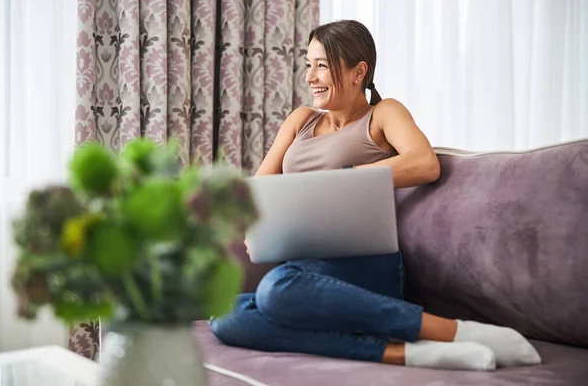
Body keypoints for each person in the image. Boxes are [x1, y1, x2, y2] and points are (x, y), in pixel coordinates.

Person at [210, 20, 541, 371]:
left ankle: (452, 331)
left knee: (276, 290)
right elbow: (256, 192)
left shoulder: (382, 114)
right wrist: (253, 227)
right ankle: (406, 352)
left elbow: (425, 163)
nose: (310, 77)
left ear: (358, 72)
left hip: (365, 268)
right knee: (227, 318)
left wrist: (344, 180)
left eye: (321, 66)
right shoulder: (300, 120)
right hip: (303, 273)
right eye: (308, 65)